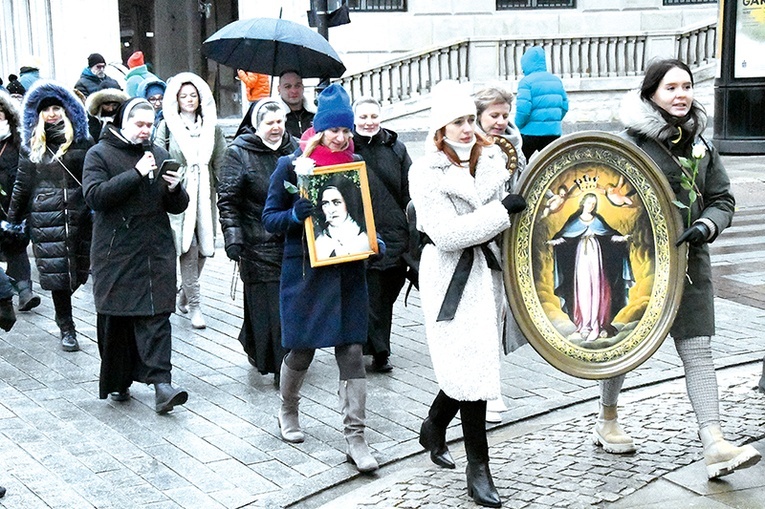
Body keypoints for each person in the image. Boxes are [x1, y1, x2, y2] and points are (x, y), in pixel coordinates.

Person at [595, 58, 760, 479]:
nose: (681, 94)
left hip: (690, 265)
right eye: (671, 88)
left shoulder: (701, 145)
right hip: (636, 267)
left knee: (698, 350)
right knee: (623, 347)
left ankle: (714, 443)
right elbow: (606, 198)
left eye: (686, 86)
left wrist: (706, 225)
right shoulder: (629, 145)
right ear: (651, 94)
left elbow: (722, 199)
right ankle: (607, 419)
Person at [409, 80, 526, 508]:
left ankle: (436, 422)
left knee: (474, 364)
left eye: (467, 120)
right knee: (471, 367)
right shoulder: (424, 172)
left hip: (487, 273)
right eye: (455, 122)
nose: (464, 129)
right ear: (439, 129)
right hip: (449, 279)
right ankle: (479, 469)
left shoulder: (493, 160)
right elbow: (445, 235)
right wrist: (501, 212)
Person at [262, 83, 383, 473]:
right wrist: (295, 215)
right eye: (335, 130)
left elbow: (364, 215)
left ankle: (356, 436)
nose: (343, 136)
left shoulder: (356, 165)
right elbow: (269, 220)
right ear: (320, 128)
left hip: (347, 271)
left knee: (350, 350)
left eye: (346, 130)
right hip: (305, 272)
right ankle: (288, 409)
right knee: (302, 349)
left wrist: (372, 239)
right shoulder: (292, 164)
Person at [83, 97, 190, 413]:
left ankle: (162, 386)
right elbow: (95, 197)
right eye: (139, 125)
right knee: (118, 320)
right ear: (123, 123)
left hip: (155, 250)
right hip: (116, 251)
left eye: (149, 125)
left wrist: (174, 189)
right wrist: (135, 173)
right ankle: (119, 381)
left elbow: (176, 206)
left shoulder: (158, 154)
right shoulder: (98, 154)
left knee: (157, 316)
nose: (145, 131)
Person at [217, 98, 298, 387]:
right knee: (268, 309)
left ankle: (280, 358)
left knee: (287, 307)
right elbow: (227, 200)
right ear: (256, 125)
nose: (276, 128)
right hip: (256, 241)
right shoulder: (238, 153)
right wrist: (233, 238)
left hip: (292, 238)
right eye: (269, 123)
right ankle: (280, 367)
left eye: (280, 122)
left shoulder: (297, 149)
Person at [7, 80, 93, 352]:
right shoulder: (31, 144)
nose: (52, 113)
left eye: (57, 107)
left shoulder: (82, 141)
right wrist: (12, 220)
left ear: (67, 110)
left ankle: (67, 316)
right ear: (38, 114)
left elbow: (92, 176)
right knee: (58, 278)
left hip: (80, 214)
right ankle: (66, 326)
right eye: (47, 109)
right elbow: (22, 183)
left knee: (79, 272)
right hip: (46, 216)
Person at [155, 72, 227, 329]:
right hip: (179, 195)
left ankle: (184, 292)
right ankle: (195, 306)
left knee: (205, 249)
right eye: (183, 95)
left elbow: (221, 162)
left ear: (201, 98)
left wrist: (225, 193)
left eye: (193, 95)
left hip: (206, 194)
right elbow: (159, 157)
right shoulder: (166, 126)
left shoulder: (212, 127)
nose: (188, 99)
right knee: (188, 247)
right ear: (175, 98)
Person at [474, 86, 527, 423]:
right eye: (494, 115)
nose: (500, 121)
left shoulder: (514, 148)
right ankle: (486, 390)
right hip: (480, 245)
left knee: (499, 314)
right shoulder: (471, 149)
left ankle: (491, 386)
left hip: (506, 241)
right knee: (484, 318)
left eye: (505, 115)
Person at [352, 96, 411, 373]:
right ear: (355, 119)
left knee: (389, 290)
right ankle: (380, 350)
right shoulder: (348, 148)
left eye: (373, 116)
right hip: (365, 231)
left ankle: (371, 341)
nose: (368, 122)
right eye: (363, 117)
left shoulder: (396, 148)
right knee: (373, 291)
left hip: (395, 229)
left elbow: (409, 189)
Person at [548, 192, 633, 341]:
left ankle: (598, 324)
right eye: (589, 203)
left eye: (593, 204)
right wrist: (555, 242)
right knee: (583, 288)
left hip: (596, 256)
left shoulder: (598, 220)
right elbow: (565, 237)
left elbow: (609, 236)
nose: (591, 206)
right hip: (581, 257)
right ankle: (584, 325)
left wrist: (622, 238)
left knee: (597, 287)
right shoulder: (574, 222)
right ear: (583, 203)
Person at [0, 90, 40, 312]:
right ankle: (6, 296)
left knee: (16, 245)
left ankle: (25, 292)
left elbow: (26, 175)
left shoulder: (18, 144)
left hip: (14, 207)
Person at [515, 46, 568, 161]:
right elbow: (564, 107)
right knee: (552, 165)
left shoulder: (526, 82)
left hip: (529, 132)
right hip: (553, 132)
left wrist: (518, 125)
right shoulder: (556, 81)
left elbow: (523, 110)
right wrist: (553, 120)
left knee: (520, 163)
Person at [313, 174, 371, 259]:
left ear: (348, 202)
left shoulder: (367, 239)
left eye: (336, 202)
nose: (331, 210)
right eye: (325, 204)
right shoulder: (319, 243)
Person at [277, 71, 315, 138]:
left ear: (303, 87)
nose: (294, 91)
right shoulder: (274, 117)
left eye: (297, 86)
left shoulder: (315, 113)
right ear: (279, 89)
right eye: (288, 86)